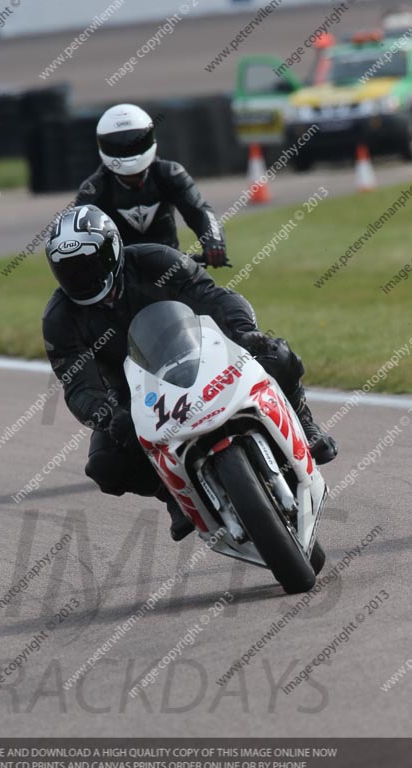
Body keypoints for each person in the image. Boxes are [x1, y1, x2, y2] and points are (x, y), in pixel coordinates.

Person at [42, 205, 337, 541]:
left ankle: (304, 422)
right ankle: (171, 494)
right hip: (133, 396)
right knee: (105, 466)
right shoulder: (59, 319)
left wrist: (243, 333)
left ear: (111, 251)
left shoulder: (156, 260)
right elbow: (77, 385)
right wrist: (106, 414)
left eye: (87, 266)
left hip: (199, 353)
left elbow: (214, 297)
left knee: (277, 354)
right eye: (69, 271)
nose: (80, 278)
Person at [73, 103, 228, 268]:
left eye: (135, 143)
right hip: (121, 274)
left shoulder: (170, 174)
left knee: (210, 292)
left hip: (170, 268)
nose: (129, 152)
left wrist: (214, 242)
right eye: (120, 146)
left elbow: (199, 210)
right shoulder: (95, 188)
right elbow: (76, 234)